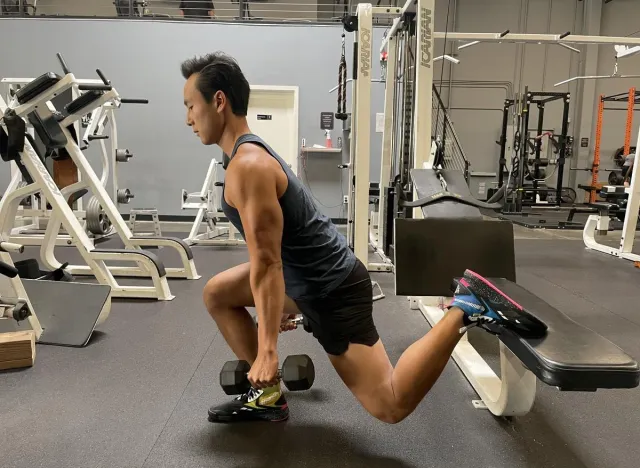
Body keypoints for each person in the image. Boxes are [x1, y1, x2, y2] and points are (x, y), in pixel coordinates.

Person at [181, 52, 547, 424]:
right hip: (306, 278)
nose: (188, 119)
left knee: (390, 404)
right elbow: (275, 259)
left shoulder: (249, 166)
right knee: (218, 293)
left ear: (220, 102)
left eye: (191, 106)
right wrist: (277, 307)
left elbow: (267, 262)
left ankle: (465, 308)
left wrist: (267, 350)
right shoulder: (247, 153)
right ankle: (267, 395)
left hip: (332, 290)